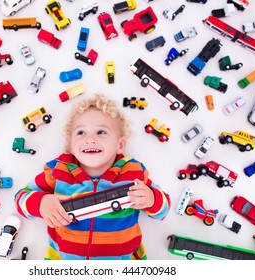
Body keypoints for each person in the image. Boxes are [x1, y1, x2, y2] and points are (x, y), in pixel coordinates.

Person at [14, 93, 171, 260]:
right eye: (81, 132)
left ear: (120, 145)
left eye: (101, 132)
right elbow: (20, 197)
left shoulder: (132, 171)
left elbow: (163, 210)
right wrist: (40, 203)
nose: (90, 139)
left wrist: (152, 198)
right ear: (71, 146)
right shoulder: (59, 170)